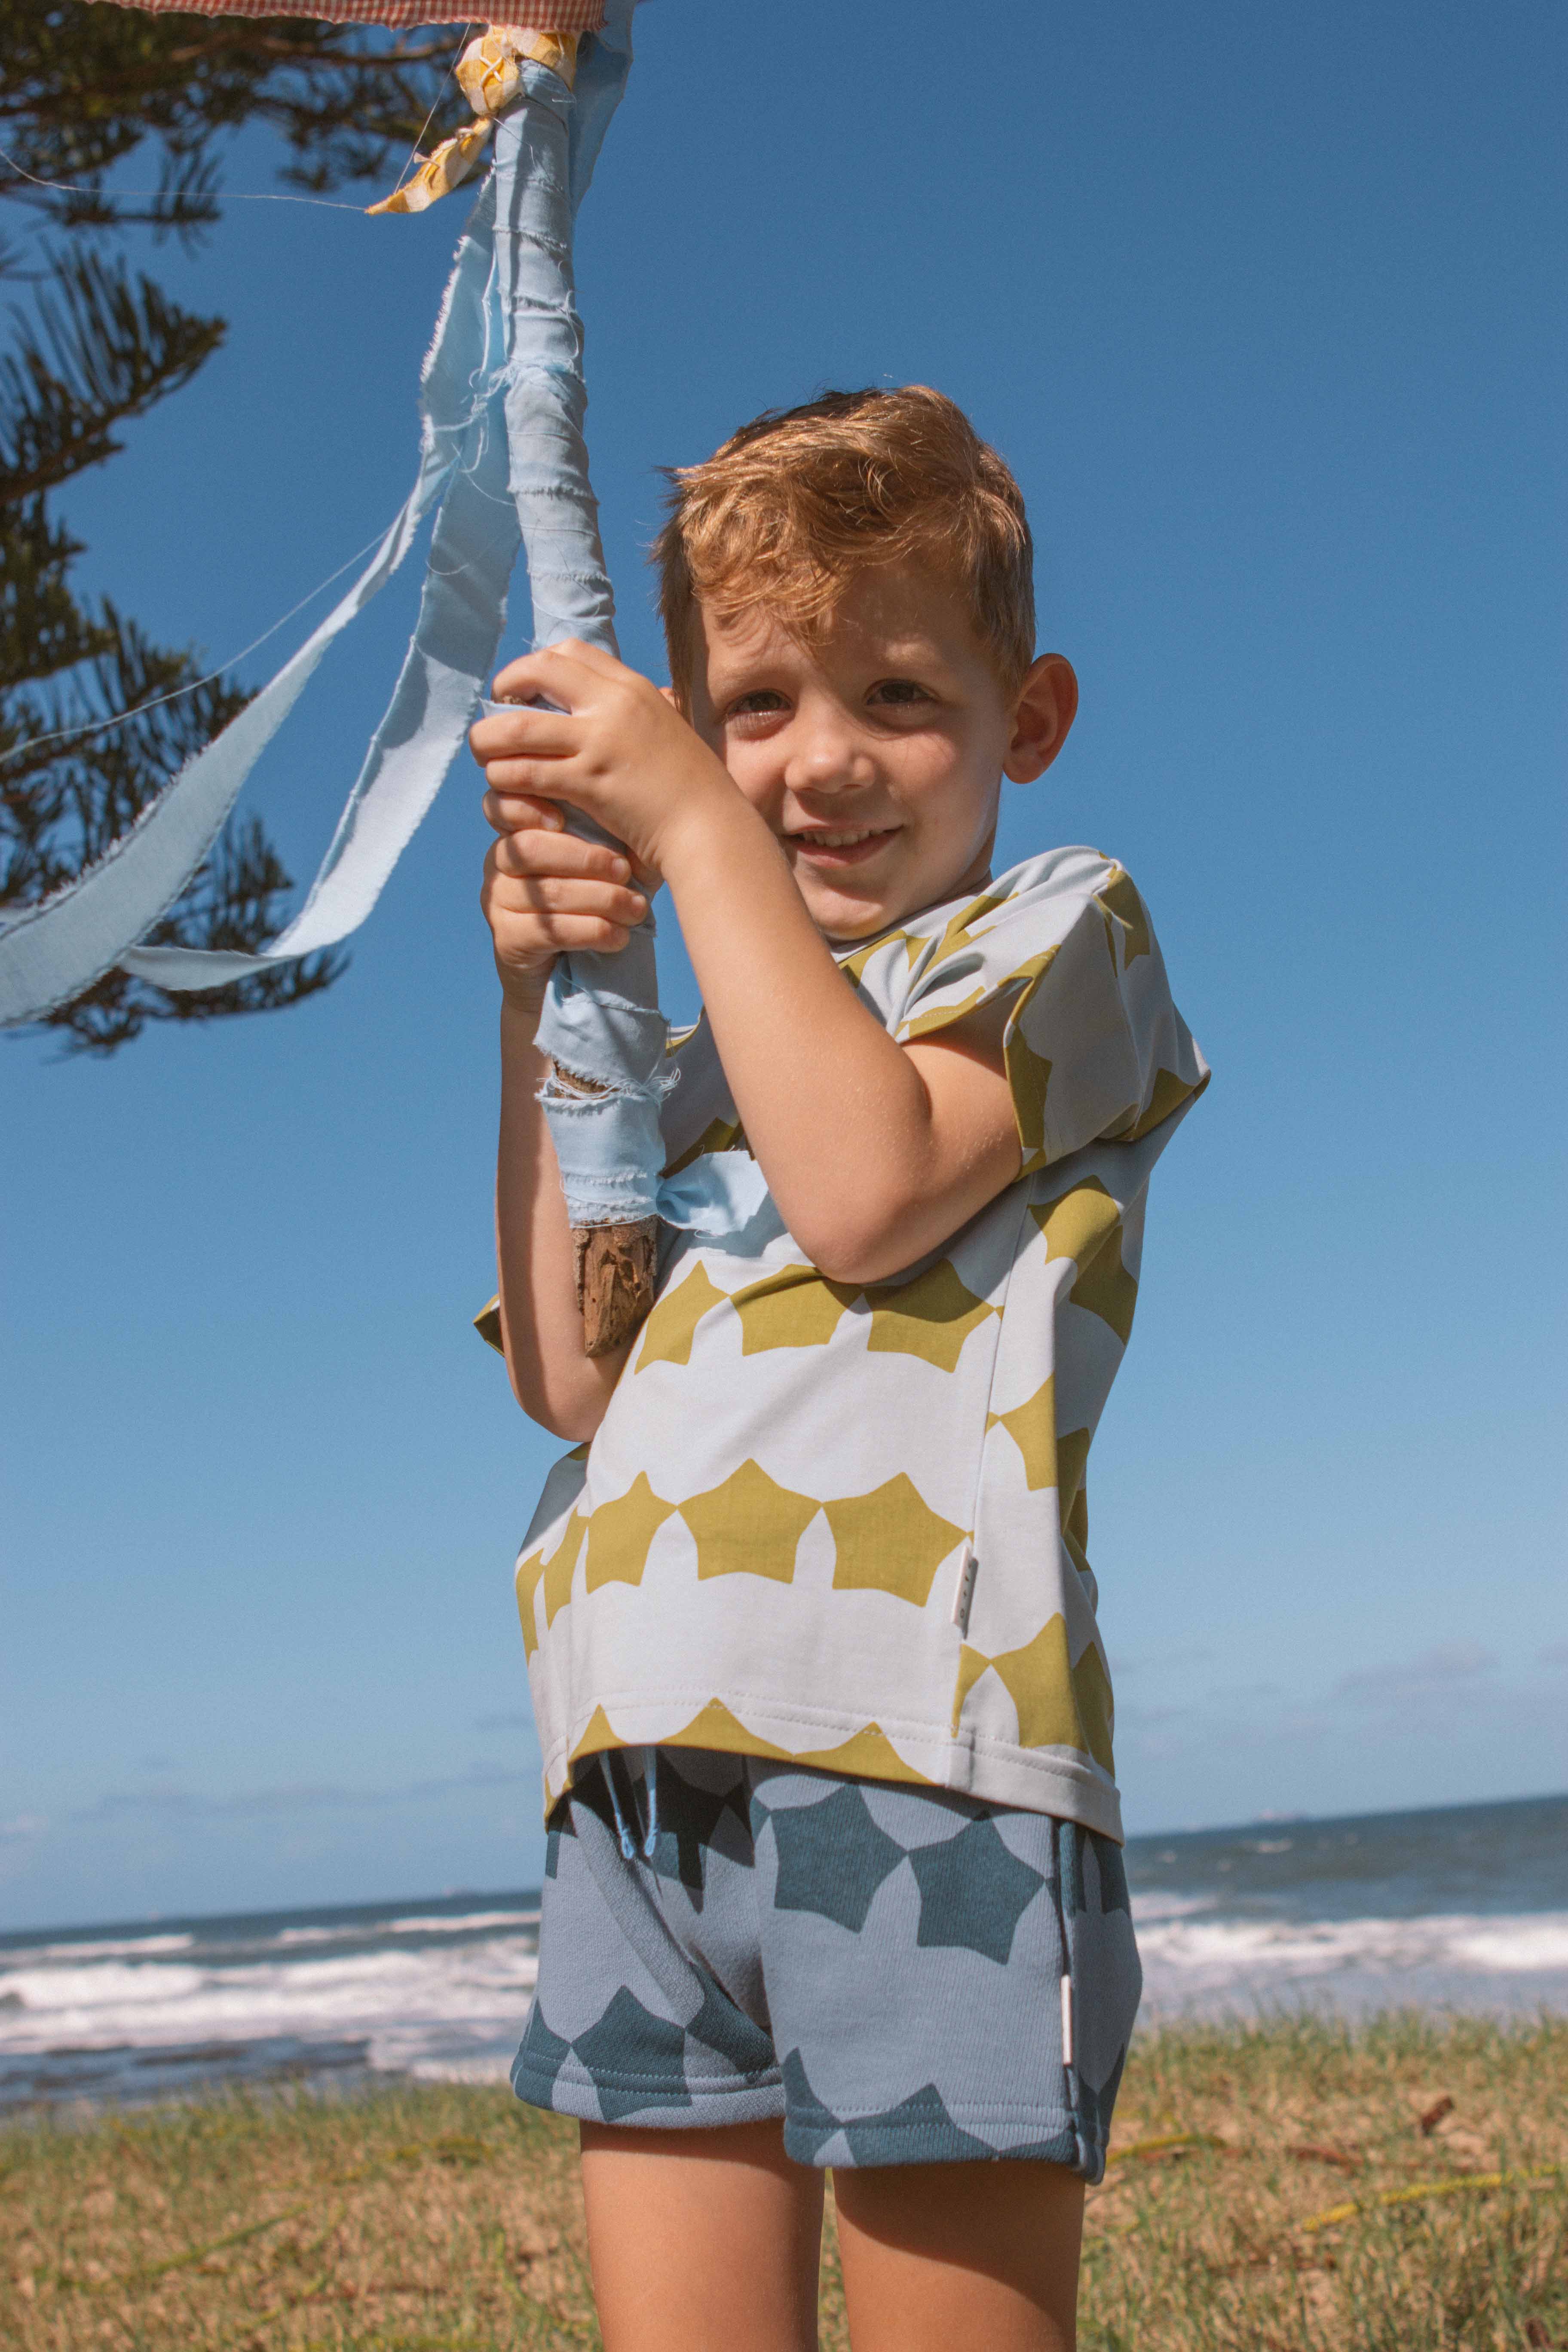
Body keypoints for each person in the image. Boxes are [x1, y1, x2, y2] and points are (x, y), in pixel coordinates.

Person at [469, 385, 1208, 2352]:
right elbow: (565, 1368)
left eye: (899, 696)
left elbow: (872, 1184)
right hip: (634, 1774)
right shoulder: (712, 1048)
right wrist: (552, 1002)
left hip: (926, 1760)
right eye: (760, 709)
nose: (821, 765)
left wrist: (688, 830)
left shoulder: (1068, 936)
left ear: (1026, 721)